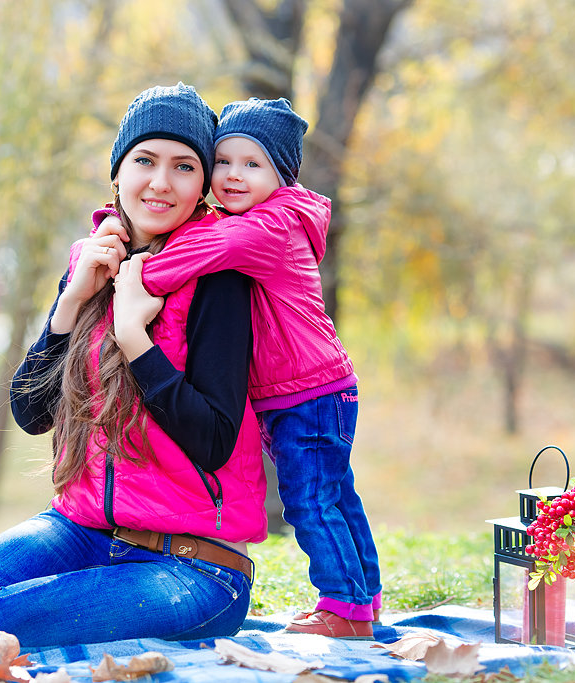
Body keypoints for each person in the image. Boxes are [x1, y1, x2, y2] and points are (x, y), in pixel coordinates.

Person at [0, 83, 267, 648]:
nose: (160, 182)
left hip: (192, 566)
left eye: (183, 167)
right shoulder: (92, 261)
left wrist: (134, 338)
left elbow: (214, 440)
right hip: (78, 530)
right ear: (118, 173)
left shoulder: (218, 278)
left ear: (203, 186)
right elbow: (31, 413)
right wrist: (71, 302)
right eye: (145, 161)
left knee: (2, 623)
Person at [94, 97, 382, 639]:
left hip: (309, 392)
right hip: (309, 388)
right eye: (223, 161)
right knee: (336, 493)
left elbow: (196, 252)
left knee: (311, 500)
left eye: (252, 164)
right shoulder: (258, 220)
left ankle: (344, 610)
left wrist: (133, 276)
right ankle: (364, 595)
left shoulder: (263, 228)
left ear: (282, 176)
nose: (232, 175)